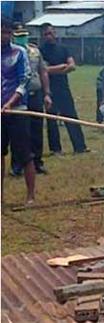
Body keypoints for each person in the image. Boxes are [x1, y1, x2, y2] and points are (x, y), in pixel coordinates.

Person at [39, 23, 89, 155]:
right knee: (51, 119)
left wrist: (55, 69)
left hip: (63, 88)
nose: (49, 36)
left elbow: (72, 66)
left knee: (71, 116)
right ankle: (55, 149)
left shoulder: (63, 48)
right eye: (45, 34)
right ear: (42, 36)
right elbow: (43, 70)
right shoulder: (40, 51)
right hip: (48, 89)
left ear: (55, 33)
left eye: (50, 33)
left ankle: (80, 146)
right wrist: (61, 67)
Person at [10, 23, 52, 176]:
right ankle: (17, 165)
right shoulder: (10, 53)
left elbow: (43, 72)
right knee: (19, 132)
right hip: (18, 97)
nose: (22, 37)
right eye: (19, 35)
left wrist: (47, 93)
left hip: (35, 94)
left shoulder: (35, 51)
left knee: (36, 130)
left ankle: (37, 162)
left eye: (24, 35)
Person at [1, 17, 35, 204]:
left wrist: (11, 103)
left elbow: (25, 80)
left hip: (18, 111)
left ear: (11, 33)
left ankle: (30, 196)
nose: (2, 36)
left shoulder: (19, 52)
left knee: (24, 154)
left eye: (5, 31)